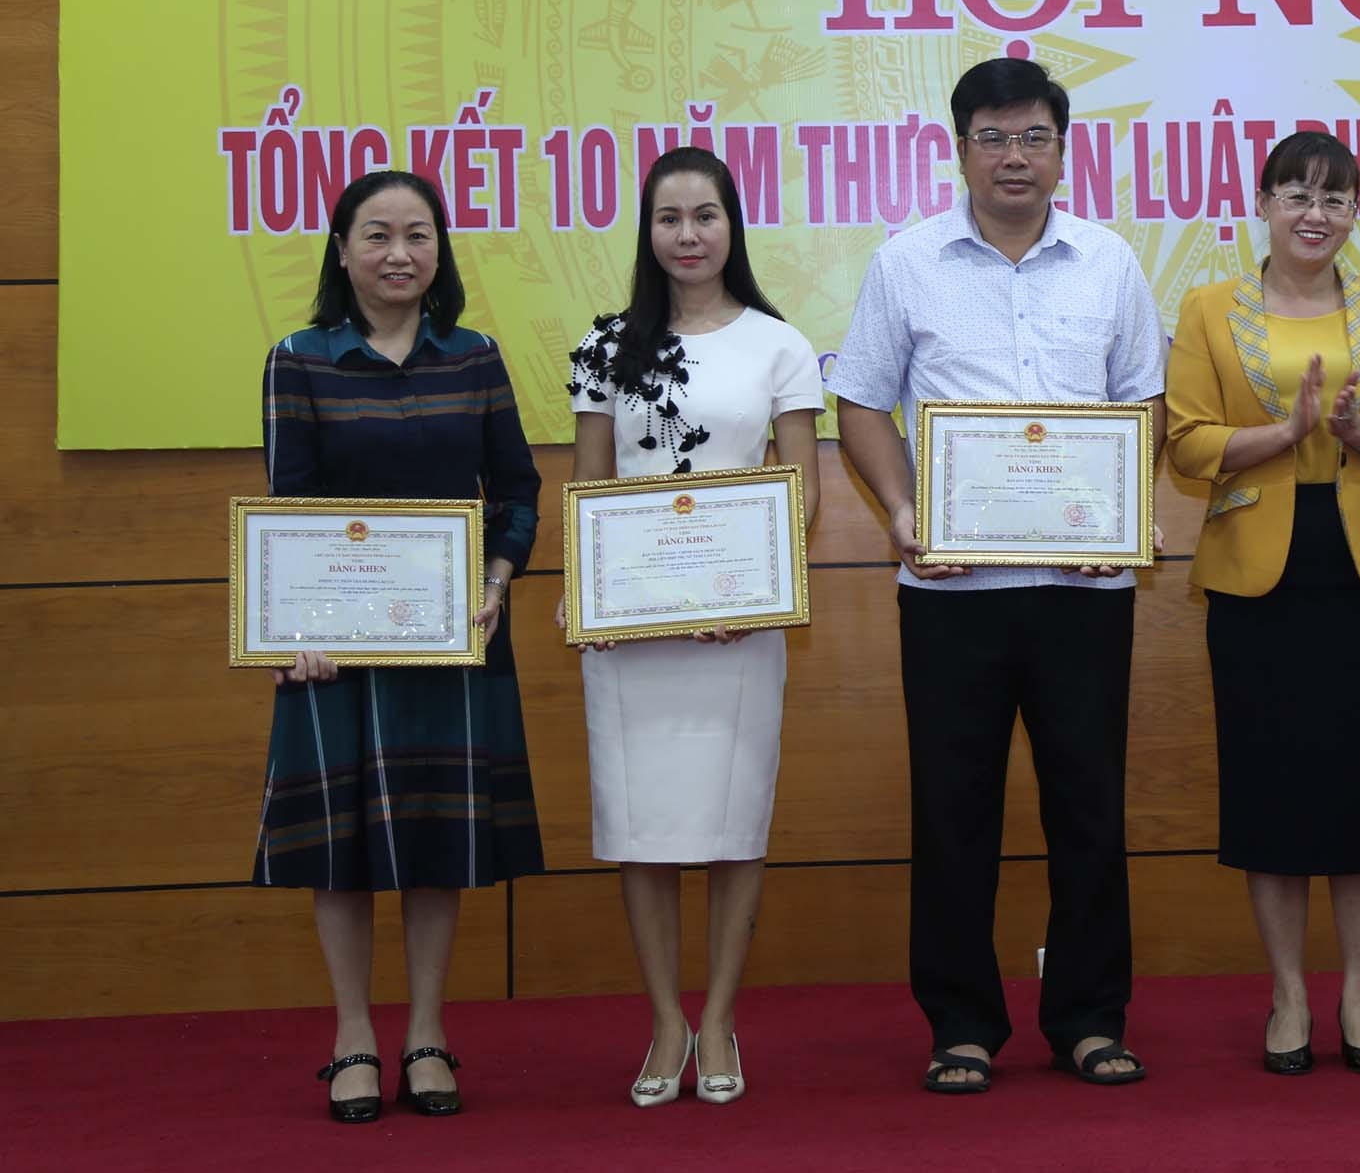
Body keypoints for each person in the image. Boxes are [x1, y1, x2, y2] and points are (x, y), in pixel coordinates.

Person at [832, 57, 1166, 1094]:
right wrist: (902, 512)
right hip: (953, 593)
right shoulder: (906, 262)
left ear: (1062, 150)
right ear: (959, 148)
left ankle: (1088, 1018)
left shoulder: (1108, 260)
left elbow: (1142, 401)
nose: (1013, 156)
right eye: (992, 137)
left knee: (1088, 809)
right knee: (953, 811)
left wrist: (1120, 516)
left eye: (1032, 137)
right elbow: (860, 402)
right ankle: (962, 1024)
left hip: (1082, 589)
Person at [254, 170, 543, 1123]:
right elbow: (289, 508)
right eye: (376, 235)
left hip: (453, 637)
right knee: (339, 846)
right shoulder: (299, 359)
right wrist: (296, 630)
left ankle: (425, 1031)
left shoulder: (476, 356)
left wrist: (496, 580)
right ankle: (351, 1034)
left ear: (439, 251)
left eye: (418, 234)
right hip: (335, 649)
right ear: (342, 251)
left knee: (433, 835)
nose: (398, 254)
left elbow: (517, 492)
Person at [1165, 131, 1360, 1076]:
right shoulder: (1209, 309)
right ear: (1264, 204)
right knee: (1271, 789)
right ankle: (1288, 994)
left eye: (1335, 197)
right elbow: (1187, 445)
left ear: (1356, 211)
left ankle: (1359, 992)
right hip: (1257, 576)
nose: (1315, 214)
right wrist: (1282, 431)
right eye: (1296, 194)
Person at [565, 147, 824, 1107]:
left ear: (731, 226)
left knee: (731, 823)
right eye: (668, 218)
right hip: (632, 628)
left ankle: (717, 1017)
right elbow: (590, 484)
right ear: (648, 232)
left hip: (738, 630)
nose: (687, 234)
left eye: (705, 215)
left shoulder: (779, 344)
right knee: (641, 827)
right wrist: (590, 591)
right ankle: (665, 1021)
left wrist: (750, 593)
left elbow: (800, 494)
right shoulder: (604, 346)